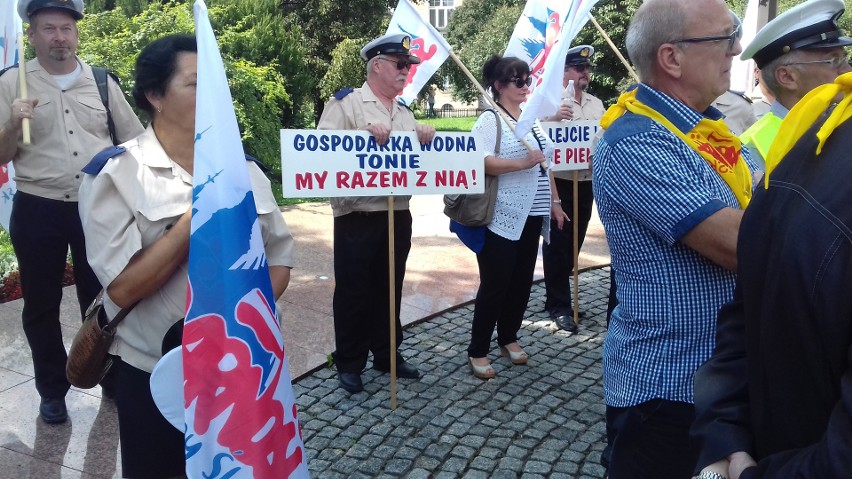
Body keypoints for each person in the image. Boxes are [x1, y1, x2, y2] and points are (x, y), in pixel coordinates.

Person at [78, 34, 295, 477]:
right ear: (155, 96)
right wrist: (199, 212)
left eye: (217, 83)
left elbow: (279, 259)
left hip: (238, 363)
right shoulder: (118, 174)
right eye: (197, 84)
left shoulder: (244, 169)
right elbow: (123, 286)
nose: (215, 95)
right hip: (155, 371)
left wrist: (236, 321)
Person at [591, 0, 758, 477]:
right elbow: (744, 246)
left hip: (716, 379)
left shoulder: (706, 129)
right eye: (726, 38)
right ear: (672, 58)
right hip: (671, 387)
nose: (738, 49)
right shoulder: (639, 142)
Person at [692, 74, 852, 479]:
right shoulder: (821, 121)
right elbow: (751, 285)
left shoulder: (822, 120)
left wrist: (727, 435)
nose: (734, 54)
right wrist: (729, 436)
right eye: (831, 58)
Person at [0, 0, 144, 424]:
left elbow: (135, 144)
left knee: (103, 298)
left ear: (77, 33)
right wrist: (10, 124)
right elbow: (2, 156)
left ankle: (110, 379)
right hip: (37, 206)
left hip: (97, 205)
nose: (59, 37)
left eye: (66, 28)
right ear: (31, 33)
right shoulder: (12, 82)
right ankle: (52, 389)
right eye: (48, 28)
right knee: (41, 304)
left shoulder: (101, 82)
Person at [316, 33, 436, 394]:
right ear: (377, 65)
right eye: (400, 66)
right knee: (354, 290)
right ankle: (350, 361)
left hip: (397, 212)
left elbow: (418, 164)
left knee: (390, 286)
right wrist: (360, 135)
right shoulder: (346, 104)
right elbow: (322, 154)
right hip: (358, 215)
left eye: (409, 67)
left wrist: (425, 138)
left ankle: (387, 354)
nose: (406, 72)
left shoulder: (405, 112)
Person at [464, 54, 565, 380]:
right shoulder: (490, 120)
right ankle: (478, 349)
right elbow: (482, 162)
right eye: (518, 81)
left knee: (521, 282)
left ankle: (508, 336)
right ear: (499, 85)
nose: (526, 86)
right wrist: (522, 163)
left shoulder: (531, 119)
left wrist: (554, 201)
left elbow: (544, 162)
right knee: (496, 284)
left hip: (533, 213)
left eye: (528, 80)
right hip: (502, 216)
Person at [739, 0, 852, 172]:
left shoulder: (837, 124)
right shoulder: (749, 151)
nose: (847, 70)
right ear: (787, 77)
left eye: (844, 59)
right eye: (834, 61)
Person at [542, 45, 605, 333]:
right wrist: (553, 117)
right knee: (557, 244)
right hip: (559, 182)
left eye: (587, 68)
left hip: (586, 181)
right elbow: (533, 133)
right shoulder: (548, 101)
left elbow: (601, 137)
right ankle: (559, 305)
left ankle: (559, 293)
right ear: (564, 71)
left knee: (575, 242)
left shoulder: (595, 103)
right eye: (579, 68)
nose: (585, 73)